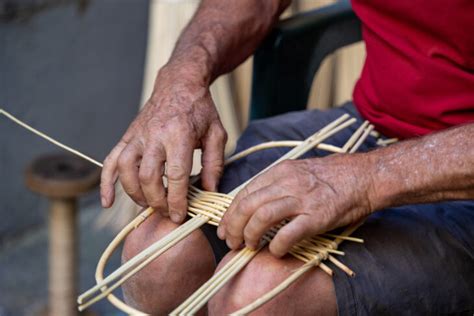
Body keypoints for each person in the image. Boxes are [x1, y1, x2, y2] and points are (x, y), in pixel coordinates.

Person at [100, 0, 474, 314]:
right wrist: (183, 77)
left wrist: (369, 179)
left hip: (459, 176)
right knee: (156, 259)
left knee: (256, 296)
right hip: (370, 120)